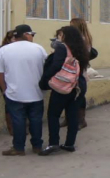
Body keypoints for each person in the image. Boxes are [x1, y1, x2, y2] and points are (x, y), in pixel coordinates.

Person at [0, 25, 47, 156]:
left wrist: (5, 89)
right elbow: (47, 67)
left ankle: (18, 148)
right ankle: (37, 146)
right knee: (36, 120)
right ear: (26, 34)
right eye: (32, 34)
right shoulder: (39, 49)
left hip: (14, 94)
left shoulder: (4, 50)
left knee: (18, 121)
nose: (33, 37)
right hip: (36, 93)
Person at [38, 26, 89, 156]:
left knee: (53, 114)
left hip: (64, 85)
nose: (59, 37)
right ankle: (69, 144)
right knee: (72, 115)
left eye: (60, 35)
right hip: (78, 86)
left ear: (65, 35)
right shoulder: (82, 48)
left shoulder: (62, 47)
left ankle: (53, 143)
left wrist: (45, 79)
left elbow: (56, 65)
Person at [68, 18, 93, 130]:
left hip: (78, 70)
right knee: (72, 94)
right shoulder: (82, 38)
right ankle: (71, 118)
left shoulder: (82, 40)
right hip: (77, 69)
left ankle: (81, 119)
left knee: (79, 95)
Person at [0, 30, 16, 136]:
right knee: (9, 106)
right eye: (13, 38)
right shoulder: (3, 50)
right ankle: (11, 128)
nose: (15, 40)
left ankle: (20, 127)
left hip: (18, 81)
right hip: (7, 81)